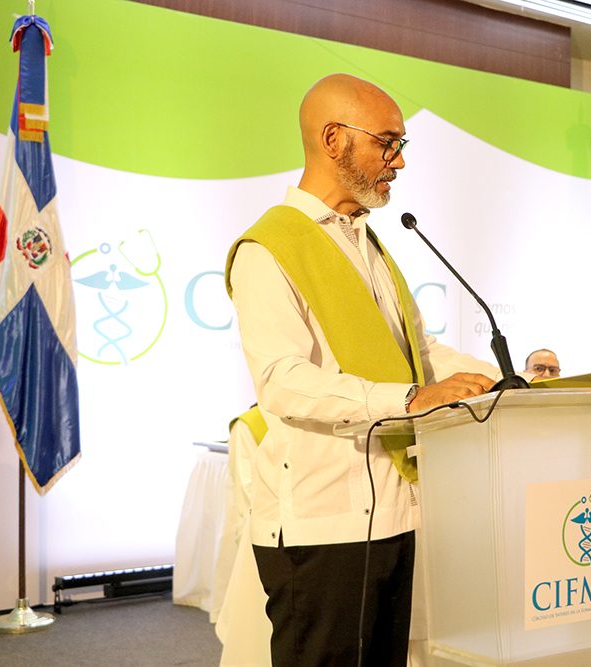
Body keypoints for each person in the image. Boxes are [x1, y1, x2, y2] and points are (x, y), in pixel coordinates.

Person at [225, 73, 500, 666]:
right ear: (333, 139)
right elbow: (282, 381)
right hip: (322, 522)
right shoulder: (268, 248)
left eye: (401, 145)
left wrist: (503, 382)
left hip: (395, 511)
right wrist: (410, 399)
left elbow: (416, 352)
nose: (398, 161)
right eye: (387, 142)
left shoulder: (367, 242)